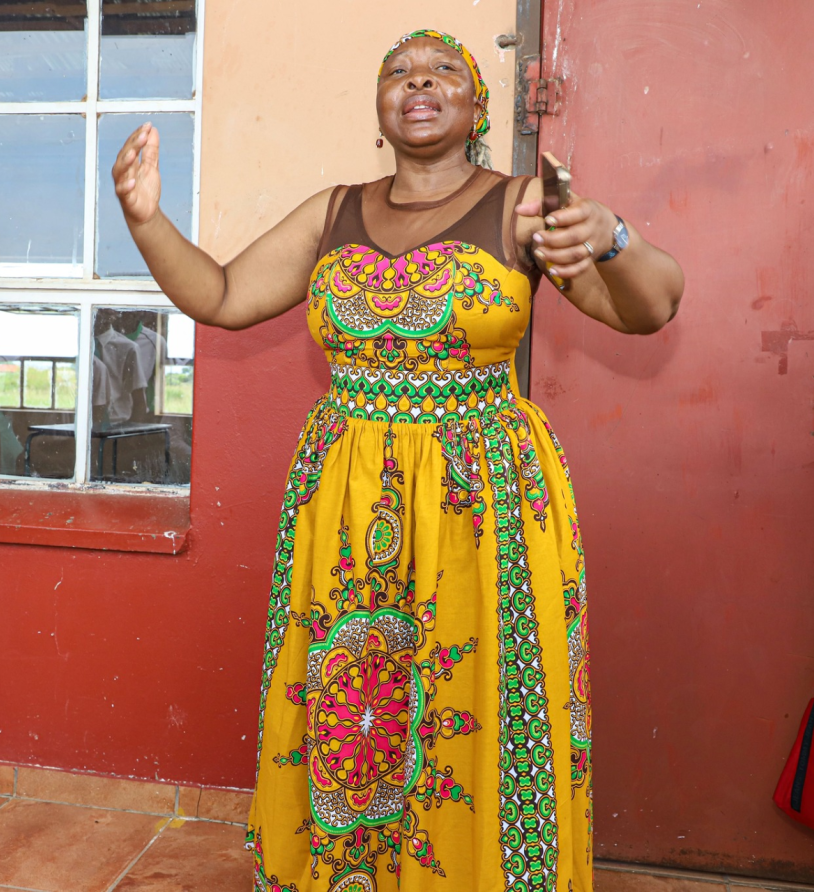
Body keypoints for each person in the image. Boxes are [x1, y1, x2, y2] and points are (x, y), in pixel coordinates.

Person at [113, 29, 683, 891]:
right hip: (347, 497)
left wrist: (612, 237)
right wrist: (147, 221)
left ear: (477, 105)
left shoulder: (523, 204)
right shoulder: (333, 209)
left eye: (443, 70)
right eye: (399, 73)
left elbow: (651, 309)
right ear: (380, 109)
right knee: (356, 704)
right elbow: (222, 296)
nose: (420, 82)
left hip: (482, 499)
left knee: (474, 699)